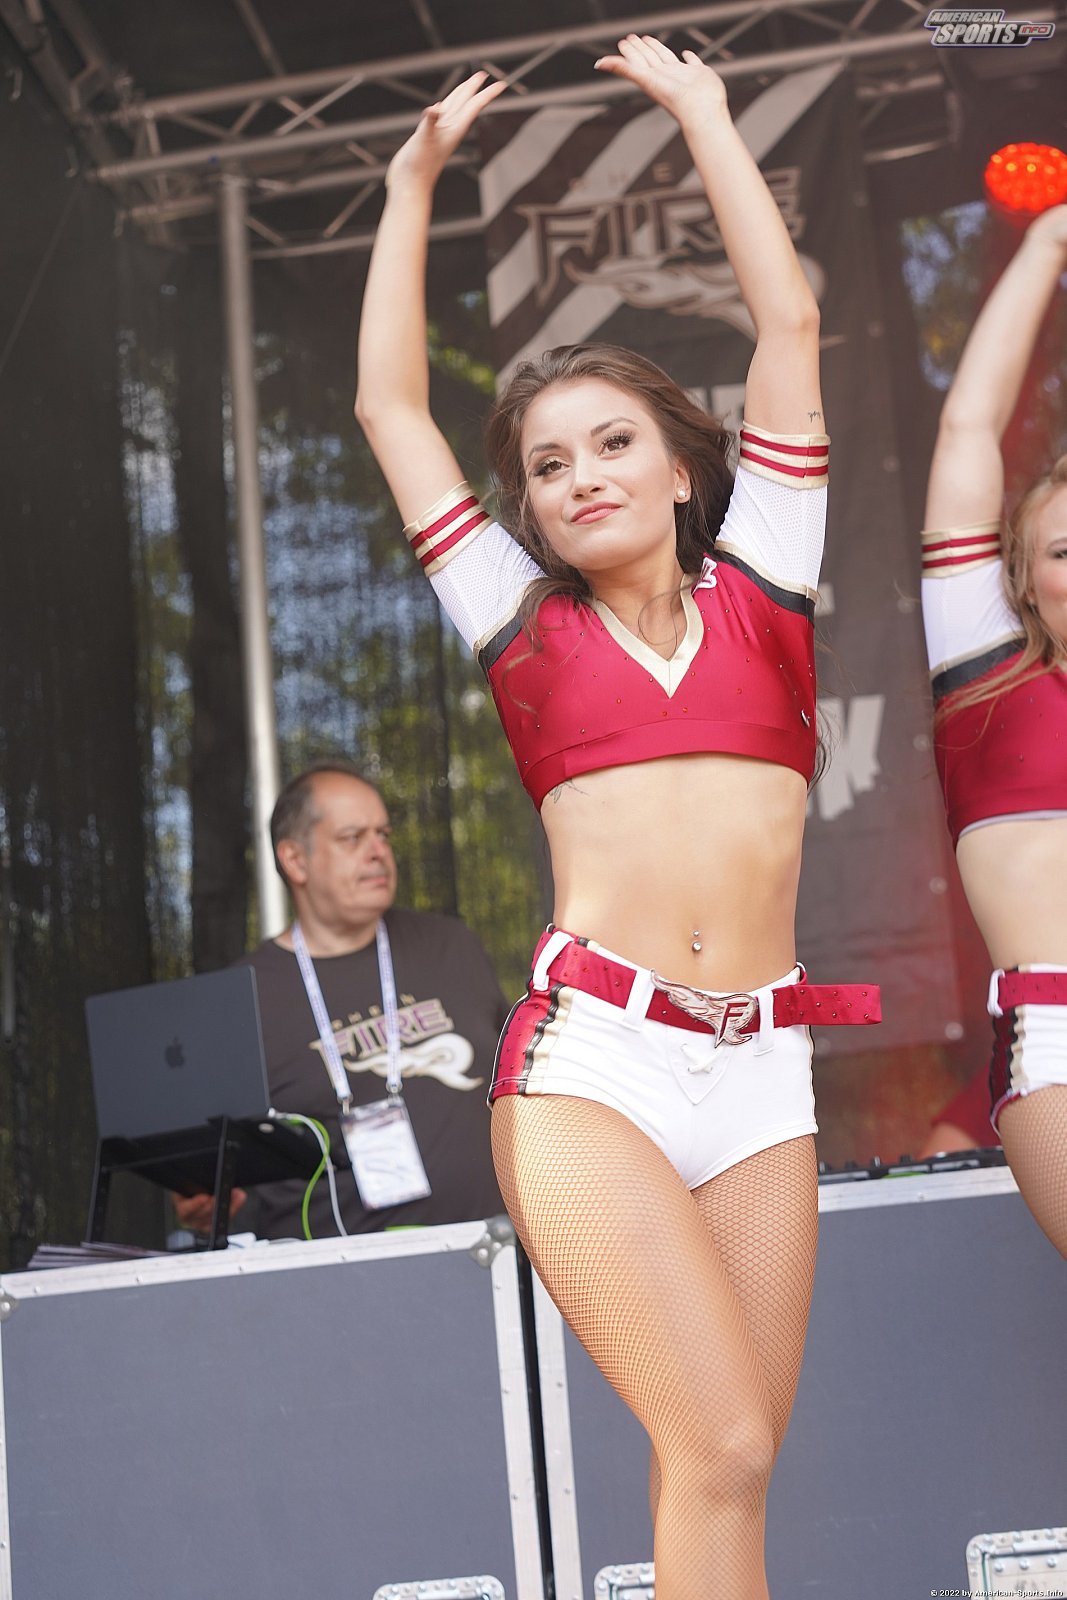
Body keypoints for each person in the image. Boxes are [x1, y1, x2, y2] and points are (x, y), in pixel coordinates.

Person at [355, 37, 877, 1597]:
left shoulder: (769, 583)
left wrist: (707, 112)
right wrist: (410, 185)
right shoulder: (518, 626)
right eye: (545, 464)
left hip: (759, 1073)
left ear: (677, 465)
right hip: (593, 1067)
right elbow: (390, 408)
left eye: (610, 443)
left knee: (729, 1467)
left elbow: (786, 322)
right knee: (716, 1446)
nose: (579, 476)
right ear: (523, 507)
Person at [174, 762, 507, 1239]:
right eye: (352, 838)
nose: (378, 852)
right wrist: (206, 1200)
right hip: (337, 1272)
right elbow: (211, 1174)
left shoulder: (451, 946)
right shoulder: (241, 997)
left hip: (493, 1252)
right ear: (295, 860)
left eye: (383, 834)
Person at [921, 203, 1067, 1259]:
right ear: (1021, 581)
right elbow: (967, 432)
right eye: (1063, 549)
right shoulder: (986, 682)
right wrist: (1048, 244)